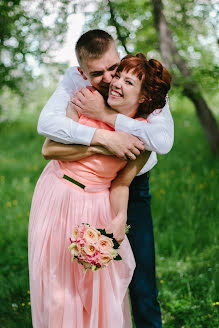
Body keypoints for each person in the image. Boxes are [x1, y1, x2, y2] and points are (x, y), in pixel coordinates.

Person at [37, 30, 174, 327]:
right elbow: (47, 140)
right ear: (82, 73)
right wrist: (104, 139)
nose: (111, 79)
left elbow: (159, 145)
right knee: (63, 279)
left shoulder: (144, 84)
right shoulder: (80, 92)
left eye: (116, 70)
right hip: (67, 190)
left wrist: (111, 119)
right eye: (98, 73)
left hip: (118, 192)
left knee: (136, 279)